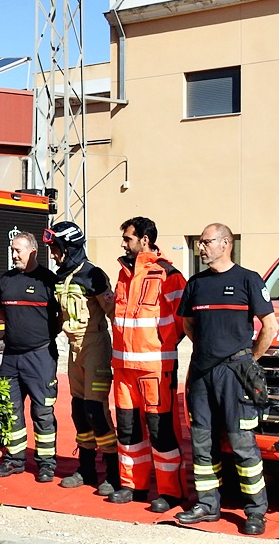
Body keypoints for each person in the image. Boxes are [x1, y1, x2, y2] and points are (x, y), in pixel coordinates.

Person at [174, 223, 278, 536]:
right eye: (199, 243)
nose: (200, 248)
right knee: (202, 443)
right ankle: (207, 504)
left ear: (225, 243)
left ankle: (256, 511)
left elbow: (270, 328)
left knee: (242, 443)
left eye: (205, 242)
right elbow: (188, 324)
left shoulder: (248, 279)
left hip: (235, 377)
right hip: (202, 375)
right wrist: (210, 352)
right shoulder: (196, 283)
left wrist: (247, 360)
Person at [109, 216, 187, 513]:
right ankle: (133, 486)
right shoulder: (123, 273)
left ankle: (171, 492)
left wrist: (160, 346)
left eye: (128, 238)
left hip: (155, 368)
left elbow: (183, 321)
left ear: (144, 240)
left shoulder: (168, 274)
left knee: (161, 431)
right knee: (128, 430)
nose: (123, 243)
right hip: (124, 368)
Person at [42, 222, 120, 495]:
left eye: (55, 248)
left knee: (96, 410)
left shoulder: (93, 275)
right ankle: (86, 468)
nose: (53, 254)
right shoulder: (61, 276)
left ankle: (113, 472)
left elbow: (113, 312)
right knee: (78, 409)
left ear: (69, 247)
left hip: (95, 347)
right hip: (73, 349)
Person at [0, 232, 61, 483]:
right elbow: (2, 311)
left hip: (40, 356)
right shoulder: (6, 280)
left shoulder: (47, 281)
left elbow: (60, 318)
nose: (13, 255)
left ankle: (46, 464)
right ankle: (14, 460)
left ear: (32, 251)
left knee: (42, 412)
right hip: (11, 356)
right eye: (12, 250)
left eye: (18, 250)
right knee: (11, 411)